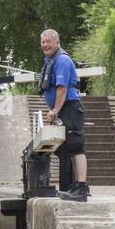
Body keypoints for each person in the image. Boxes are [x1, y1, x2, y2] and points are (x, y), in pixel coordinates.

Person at [39, 28, 88, 201]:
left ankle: (81, 188)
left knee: (76, 146)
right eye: (43, 42)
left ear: (57, 42)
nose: (45, 45)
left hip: (70, 107)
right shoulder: (50, 60)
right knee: (68, 148)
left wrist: (55, 111)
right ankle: (77, 186)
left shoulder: (62, 61)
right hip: (63, 109)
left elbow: (62, 88)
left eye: (48, 42)